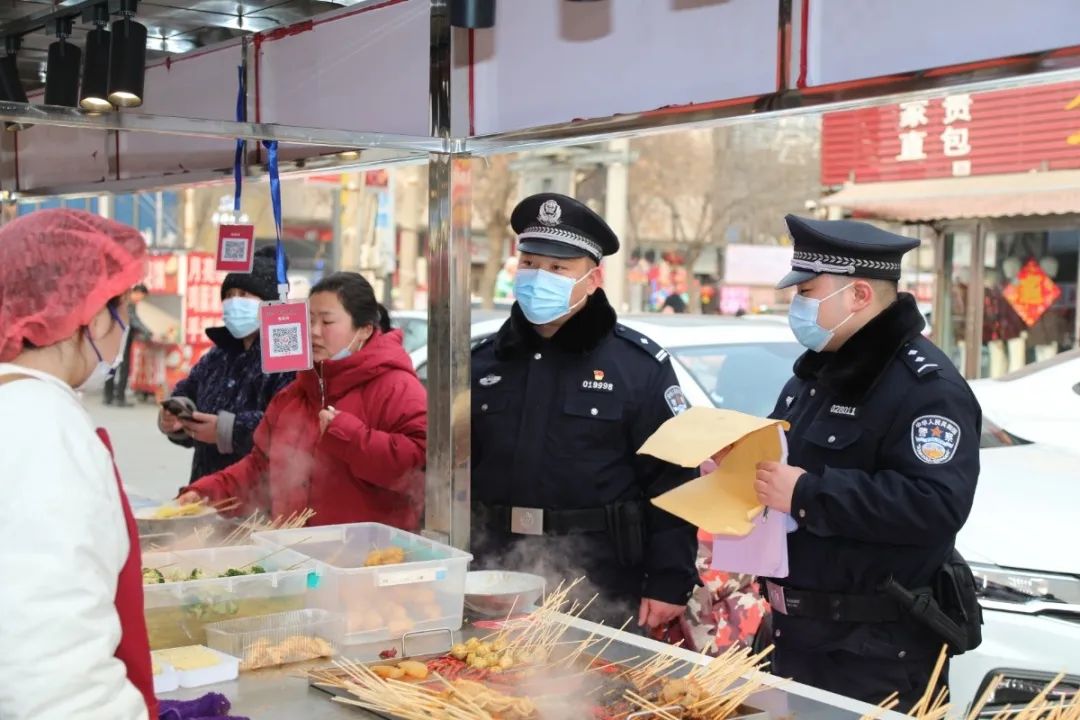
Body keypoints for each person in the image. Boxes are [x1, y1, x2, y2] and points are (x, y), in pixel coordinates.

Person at [747, 215, 981, 710]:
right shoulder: (815, 377)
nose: (798, 306)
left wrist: (807, 494)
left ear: (858, 296)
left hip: (872, 654)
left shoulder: (925, 388)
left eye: (807, 292)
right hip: (790, 638)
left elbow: (935, 505)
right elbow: (778, 461)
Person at [471, 193, 699, 631]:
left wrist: (670, 580)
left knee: (589, 694)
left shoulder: (636, 366)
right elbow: (448, 472)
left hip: (599, 577)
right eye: (531, 264)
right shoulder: (483, 362)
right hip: (494, 567)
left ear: (593, 279)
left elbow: (674, 479)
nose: (541, 277)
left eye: (559, 269)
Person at [0, 209, 156, 719]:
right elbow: (54, 675)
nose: (126, 327)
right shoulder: (39, 427)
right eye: (122, 310)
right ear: (89, 313)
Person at [177, 272, 427, 529]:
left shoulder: (397, 387)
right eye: (309, 321)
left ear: (364, 330)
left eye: (327, 322)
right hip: (297, 551)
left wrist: (349, 436)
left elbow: (419, 465)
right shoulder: (296, 392)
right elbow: (261, 468)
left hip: (370, 557)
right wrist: (206, 493)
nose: (314, 332)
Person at [158, 247, 296, 485]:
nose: (234, 302)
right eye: (229, 294)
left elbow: (289, 423)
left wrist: (230, 431)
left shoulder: (287, 356)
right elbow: (188, 390)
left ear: (271, 303)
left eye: (244, 294)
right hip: (206, 488)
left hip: (258, 497)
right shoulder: (218, 354)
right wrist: (177, 417)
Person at [104, 283, 150, 406]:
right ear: (137, 293)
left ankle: (108, 396)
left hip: (118, 335)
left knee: (113, 364)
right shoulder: (127, 302)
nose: (141, 299)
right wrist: (147, 331)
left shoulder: (126, 301)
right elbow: (133, 320)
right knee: (123, 367)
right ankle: (119, 397)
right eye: (142, 296)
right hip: (123, 337)